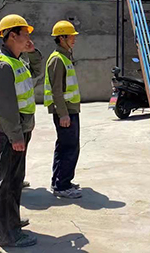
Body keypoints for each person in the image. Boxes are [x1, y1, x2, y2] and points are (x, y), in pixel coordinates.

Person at [0, 15, 37, 248]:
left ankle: (12, 222)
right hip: (11, 133)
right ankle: (8, 235)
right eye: (25, 34)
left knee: (15, 181)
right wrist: (15, 135)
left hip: (21, 129)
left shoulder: (17, 61)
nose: (28, 38)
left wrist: (32, 52)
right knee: (6, 183)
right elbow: (5, 107)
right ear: (12, 36)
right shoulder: (2, 66)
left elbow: (37, 75)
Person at [44, 21, 82, 199]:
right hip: (66, 111)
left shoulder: (65, 57)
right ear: (61, 38)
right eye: (71, 36)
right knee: (69, 148)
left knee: (66, 147)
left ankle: (60, 181)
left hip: (70, 109)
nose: (74, 39)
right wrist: (63, 114)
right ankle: (62, 185)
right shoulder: (57, 59)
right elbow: (56, 90)